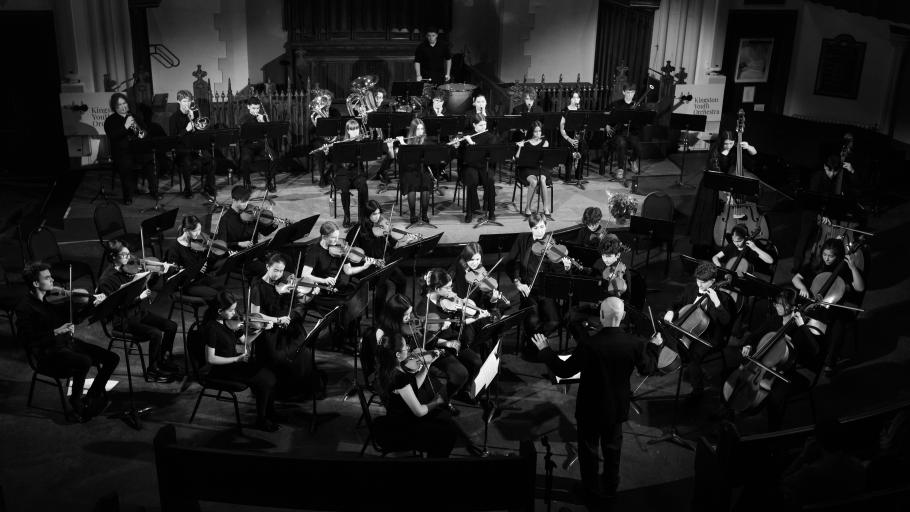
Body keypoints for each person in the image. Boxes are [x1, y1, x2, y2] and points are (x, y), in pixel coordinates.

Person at [533, 297, 661, 502]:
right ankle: (610, 488)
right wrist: (654, 346)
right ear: (624, 317)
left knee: (588, 451)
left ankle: (590, 490)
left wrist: (545, 350)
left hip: (589, 407)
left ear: (601, 316)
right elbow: (648, 368)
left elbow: (564, 370)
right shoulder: (636, 344)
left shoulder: (589, 344)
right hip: (616, 407)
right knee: (613, 449)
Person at [15, 262, 120, 421]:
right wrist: (55, 332)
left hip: (67, 343)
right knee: (84, 361)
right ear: (36, 283)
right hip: (48, 352)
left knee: (112, 358)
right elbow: (28, 339)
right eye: (47, 277)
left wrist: (92, 305)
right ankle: (76, 401)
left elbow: (75, 319)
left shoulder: (52, 299)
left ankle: (91, 396)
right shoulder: (25, 308)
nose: (53, 280)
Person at [734, 292, 820, 431]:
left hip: (784, 371)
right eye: (776, 303)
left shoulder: (800, 327)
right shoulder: (774, 320)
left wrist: (802, 326)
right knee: (737, 372)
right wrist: (748, 344)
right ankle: (731, 411)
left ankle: (773, 432)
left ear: (791, 307)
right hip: (763, 365)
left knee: (775, 397)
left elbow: (815, 350)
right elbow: (754, 335)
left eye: (780, 304)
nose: (776, 306)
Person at [374, 315, 458, 457]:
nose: (408, 347)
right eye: (405, 347)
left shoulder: (388, 368)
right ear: (398, 355)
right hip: (402, 428)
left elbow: (412, 387)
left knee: (445, 421)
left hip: (399, 416)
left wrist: (428, 365)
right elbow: (419, 411)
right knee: (448, 432)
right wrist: (436, 401)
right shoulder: (398, 378)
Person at [96, 240, 179, 383]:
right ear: (113, 257)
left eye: (129, 254)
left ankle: (163, 360)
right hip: (123, 320)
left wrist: (156, 275)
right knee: (156, 333)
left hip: (138, 313)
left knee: (171, 326)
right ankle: (152, 370)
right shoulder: (107, 280)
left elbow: (145, 285)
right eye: (124, 255)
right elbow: (115, 307)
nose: (129, 258)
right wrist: (139, 297)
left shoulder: (129, 267)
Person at [200, 290, 280, 432]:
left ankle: (269, 413)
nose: (235, 313)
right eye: (231, 310)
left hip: (235, 363)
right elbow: (210, 359)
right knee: (265, 380)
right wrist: (237, 358)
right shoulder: (211, 328)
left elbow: (246, 341)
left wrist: (262, 330)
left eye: (235, 308)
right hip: (221, 370)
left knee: (270, 372)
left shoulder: (229, 322)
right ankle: (261, 420)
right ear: (220, 311)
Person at [662, 261, 736, 401]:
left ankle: (697, 390)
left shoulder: (723, 298)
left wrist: (717, 303)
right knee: (665, 328)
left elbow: (726, 321)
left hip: (710, 336)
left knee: (692, 355)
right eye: (697, 280)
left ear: (713, 281)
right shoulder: (691, 288)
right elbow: (676, 302)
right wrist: (670, 311)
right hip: (689, 328)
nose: (699, 285)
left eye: (703, 282)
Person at [792, 238, 864, 375]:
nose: (827, 258)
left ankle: (830, 360)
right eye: (825, 255)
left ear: (838, 256)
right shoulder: (816, 265)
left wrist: (853, 268)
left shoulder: (844, 269)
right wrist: (803, 288)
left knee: (838, 324)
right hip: (813, 303)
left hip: (833, 308)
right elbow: (795, 279)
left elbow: (860, 288)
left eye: (831, 256)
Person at [299, 221, 377, 349]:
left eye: (337, 236)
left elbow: (348, 271)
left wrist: (364, 267)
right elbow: (305, 275)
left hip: (342, 288)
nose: (337, 240)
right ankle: (341, 341)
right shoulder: (314, 251)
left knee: (358, 302)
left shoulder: (340, 248)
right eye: (333, 238)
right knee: (346, 308)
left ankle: (349, 337)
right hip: (324, 292)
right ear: (324, 237)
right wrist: (324, 280)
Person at [415, 268, 486, 404]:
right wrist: (446, 342)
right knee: (460, 373)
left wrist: (476, 316)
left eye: (451, 287)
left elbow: (458, 323)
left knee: (476, 362)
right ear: (437, 288)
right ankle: (443, 400)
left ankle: (463, 392)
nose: (451, 291)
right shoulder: (423, 309)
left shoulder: (447, 301)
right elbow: (427, 340)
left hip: (452, 340)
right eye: (447, 288)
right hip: (436, 347)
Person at [506, 213, 573, 358]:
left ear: (546, 226)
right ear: (531, 228)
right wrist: (518, 283)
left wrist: (565, 267)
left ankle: (530, 345)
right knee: (533, 321)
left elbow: (557, 272)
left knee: (555, 320)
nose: (540, 231)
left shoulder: (551, 243)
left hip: (544, 290)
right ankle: (533, 350)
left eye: (542, 227)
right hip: (528, 289)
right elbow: (512, 262)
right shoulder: (523, 240)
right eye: (535, 228)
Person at [249, 253, 315, 396]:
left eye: (281, 271)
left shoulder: (280, 284)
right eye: (276, 270)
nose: (279, 274)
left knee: (303, 349)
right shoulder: (257, 288)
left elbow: (286, 301)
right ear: (267, 267)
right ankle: (279, 390)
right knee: (283, 356)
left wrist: (287, 292)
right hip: (269, 328)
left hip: (284, 323)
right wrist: (278, 320)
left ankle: (296, 388)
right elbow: (255, 316)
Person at [792, 153, 857, 271]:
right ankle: (797, 266)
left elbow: (855, 186)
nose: (832, 174)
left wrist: (852, 171)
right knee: (804, 238)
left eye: (835, 171)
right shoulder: (817, 177)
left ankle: (818, 266)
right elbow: (814, 200)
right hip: (812, 212)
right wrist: (822, 214)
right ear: (824, 167)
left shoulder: (840, 177)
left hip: (829, 215)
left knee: (822, 241)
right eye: (829, 171)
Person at [346, 199, 408, 319]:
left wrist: (404, 240)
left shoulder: (383, 225)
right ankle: (379, 317)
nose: (378, 216)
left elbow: (394, 244)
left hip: (383, 262)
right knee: (382, 286)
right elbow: (351, 252)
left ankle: (398, 309)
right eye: (374, 214)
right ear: (367, 214)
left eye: (379, 213)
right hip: (368, 265)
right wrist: (369, 261)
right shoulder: (358, 230)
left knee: (402, 280)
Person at [103, 92, 158, 205]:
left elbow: (144, 130)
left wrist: (142, 133)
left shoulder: (134, 116)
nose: (124, 106)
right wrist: (125, 126)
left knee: (150, 161)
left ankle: (154, 191)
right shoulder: (110, 121)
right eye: (120, 105)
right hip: (122, 152)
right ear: (114, 107)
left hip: (137, 150)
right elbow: (113, 137)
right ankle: (127, 196)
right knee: (126, 166)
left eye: (125, 103)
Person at [214, 185, 278, 278]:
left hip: (256, 251)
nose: (246, 204)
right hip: (240, 257)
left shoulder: (251, 213)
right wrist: (239, 244)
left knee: (281, 260)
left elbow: (265, 232)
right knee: (266, 270)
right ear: (234, 200)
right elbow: (221, 245)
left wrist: (274, 223)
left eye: (247, 201)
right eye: (243, 201)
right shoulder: (225, 220)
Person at [169, 89, 215, 200]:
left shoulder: (194, 114)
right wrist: (186, 129)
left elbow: (200, 132)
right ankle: (188, 189)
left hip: (195, 148)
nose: (187, 104)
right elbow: (174, 139)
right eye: (184, 101)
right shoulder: (173, 118)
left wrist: (195, 121)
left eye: (189, 101)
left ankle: (208, 186)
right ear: (178, 101)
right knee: (186, 162)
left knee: (211, 160)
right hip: (182, 151)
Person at [166, 214, 224, 302]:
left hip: (200, 277)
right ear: (185, 230)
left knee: (223, 291)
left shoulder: (197, 242)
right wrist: (196, 268)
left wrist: (207, 261)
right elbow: (173, 272)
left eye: (200, 229)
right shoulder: (174, 248)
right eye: (195, 231)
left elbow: (206, 259)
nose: (199, 233)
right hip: (187, 284)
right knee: (217, 296)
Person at [456, 112, 499, 224]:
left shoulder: (490, 137)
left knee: (489, 180)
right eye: (480, 125)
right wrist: (457, 146)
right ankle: (470, 211)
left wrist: (471, 143)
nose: (483, 127)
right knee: (472, 179)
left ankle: (491, 211)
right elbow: (460, 156)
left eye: (484, 124)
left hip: (485, 166)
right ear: (474, 125)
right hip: (470, 166)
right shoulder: (467, 135)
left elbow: (490, 155)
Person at [329, 119, 369, 228]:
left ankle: (362, 216)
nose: (355, 131)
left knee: (363, 187)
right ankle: (347, 215)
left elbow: (367, 157)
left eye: (356, 128)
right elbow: (334, 161)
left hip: (357, 172)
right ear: (347, 130)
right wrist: (329, 151)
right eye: (352, 129)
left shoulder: (362, 142)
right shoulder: (340, 143)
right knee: (344, 188)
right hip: (343, 173)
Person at [394, 119, 434, 225]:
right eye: (418, 129)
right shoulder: (407, 142)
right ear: (413, 130)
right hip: (409, 170)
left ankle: (424, 214)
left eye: (422, 129)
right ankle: (412, 214)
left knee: (426, 181)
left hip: (423, 169)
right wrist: (402, 144)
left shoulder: (427, 141)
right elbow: (401, 161)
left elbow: (431, 159)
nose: (420, 131)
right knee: (410, 182)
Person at [515, 120, 553, 218]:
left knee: (542, 180)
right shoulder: (525, 143)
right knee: (534, 182)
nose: (538, 133)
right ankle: (527, 208)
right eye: (536, 131)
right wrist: (520, 147)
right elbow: (517, 158)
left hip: (540, 168)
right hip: (526, 168)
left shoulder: (545, 142)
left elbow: (545, 159)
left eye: (539, 131)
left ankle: (545, 208)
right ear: (532, 132)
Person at [238, 97, 276, 192]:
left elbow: (269, 133)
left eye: (258, 108)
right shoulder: (243, 119)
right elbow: (241, 135)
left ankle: (269, 181)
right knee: (245, 159)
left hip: (261, 145)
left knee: (273, 157)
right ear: (248, 107)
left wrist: (262, 122)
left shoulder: (262, 117)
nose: (256, 110)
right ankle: (247, 183)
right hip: (248, 146)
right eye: (253, 108)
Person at [609, 83, 645, 183]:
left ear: (634, 93)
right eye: (628, 92)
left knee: (639, 147)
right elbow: (608, 117)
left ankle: (632, 160)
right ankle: (620, 168)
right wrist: (607, 125)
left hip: (632, 132)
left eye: (632, 92)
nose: (630, 95)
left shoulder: (637, 106)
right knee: (622, 143)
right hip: (620, 132)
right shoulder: (616, 104)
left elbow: (642, 121)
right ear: (623, 92)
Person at [559, 90, 588, 188]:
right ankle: (567, 177)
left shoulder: (581, 110)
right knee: (569, 152)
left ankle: (578, 175)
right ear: (570, 99)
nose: (576, 99)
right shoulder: (565, 111)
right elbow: (562, 129)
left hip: (578, 137)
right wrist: (570, 140)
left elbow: (584, 126)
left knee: (584, 149)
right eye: (574, 97)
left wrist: (581, 136)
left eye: (578, 97)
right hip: (567, 137)